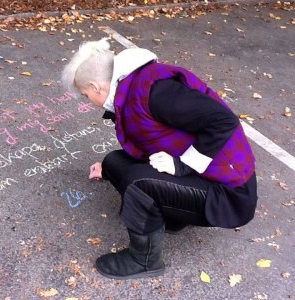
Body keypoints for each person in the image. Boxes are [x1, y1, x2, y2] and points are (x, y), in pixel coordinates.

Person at [61, 38, 258, 280]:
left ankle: (144, 260)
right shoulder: (128, 88)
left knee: (137, 183)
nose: (87, 100)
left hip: (229, 195)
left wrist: (182, 165)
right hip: (206, 179)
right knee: (114, 163)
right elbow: (153, 140)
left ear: (96, 86)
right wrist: (109, 169)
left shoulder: (155, 91)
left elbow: (224, 121)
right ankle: (173, 214)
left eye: (85, 94)